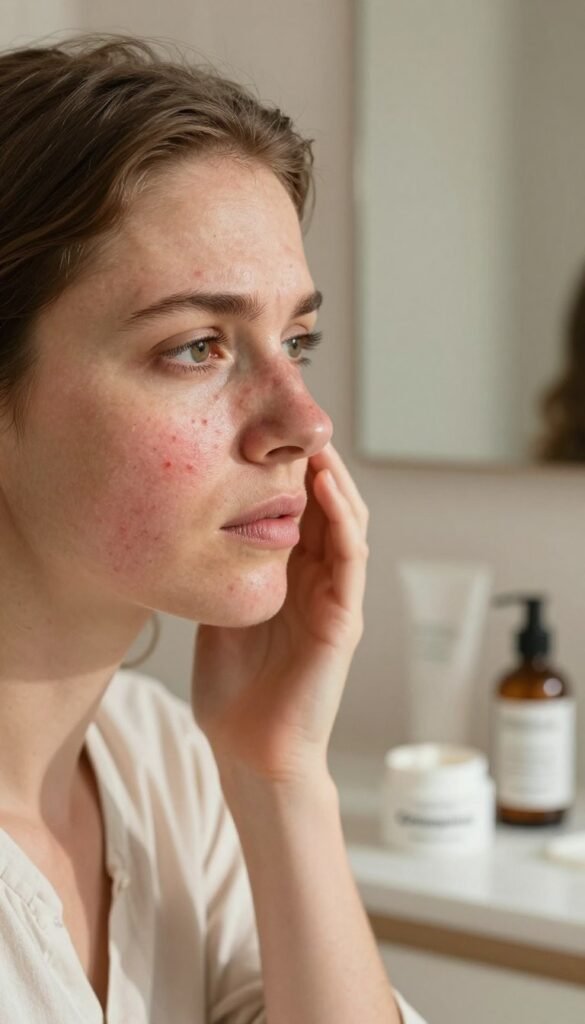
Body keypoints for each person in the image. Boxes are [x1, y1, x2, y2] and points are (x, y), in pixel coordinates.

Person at [0, 33, 426, 1023]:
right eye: (198, 346)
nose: (305, 422)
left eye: (297, 341)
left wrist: (278, 775)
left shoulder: (166, 763)